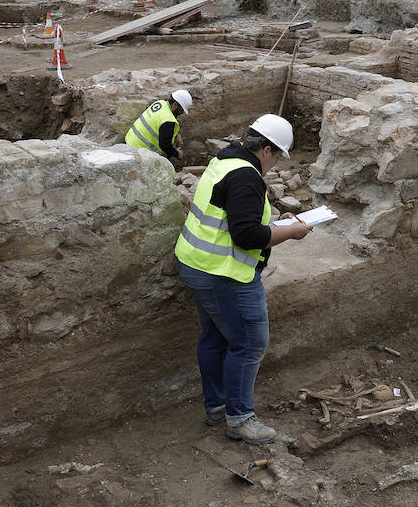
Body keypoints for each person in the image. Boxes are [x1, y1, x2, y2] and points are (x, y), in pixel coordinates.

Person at [174, 114, 311, 445]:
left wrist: (276, 220)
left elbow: (234, 214)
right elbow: (247, 235)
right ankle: (240, 419)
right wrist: (291, 232)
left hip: (195, 263)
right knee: (249, 342)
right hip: (224, 274)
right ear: (265, 149)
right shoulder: (248, 177)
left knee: (216, 337)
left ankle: (217, 407)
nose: (275, 163)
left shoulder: (226, 158)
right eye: (277, 156)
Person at [125, 89, 193, 160]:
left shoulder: (160, 103)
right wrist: (177, 153)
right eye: (182, 110)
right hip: (138, 153)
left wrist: (175, 135)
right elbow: (165, 146)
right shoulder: (168, 120)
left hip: (129, 142)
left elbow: (158, 124)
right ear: (175, 105)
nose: (182, 113)